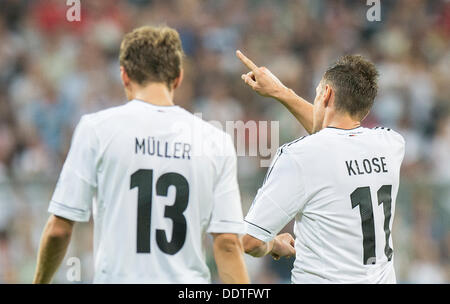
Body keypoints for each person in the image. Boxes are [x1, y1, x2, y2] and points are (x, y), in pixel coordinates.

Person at [32, 26, 250, 284]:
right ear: (178, 78)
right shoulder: (215, 141)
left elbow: (59, 230)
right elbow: (227, 243)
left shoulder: (97, 129)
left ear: (124, 76)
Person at [237, 50, 405, 283]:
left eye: (317, 93)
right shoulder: (391, 145)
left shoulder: (299, 156)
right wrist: (281, 92)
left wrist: (274, 243)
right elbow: (333, 136)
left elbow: (249, 240)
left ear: (326, 93)